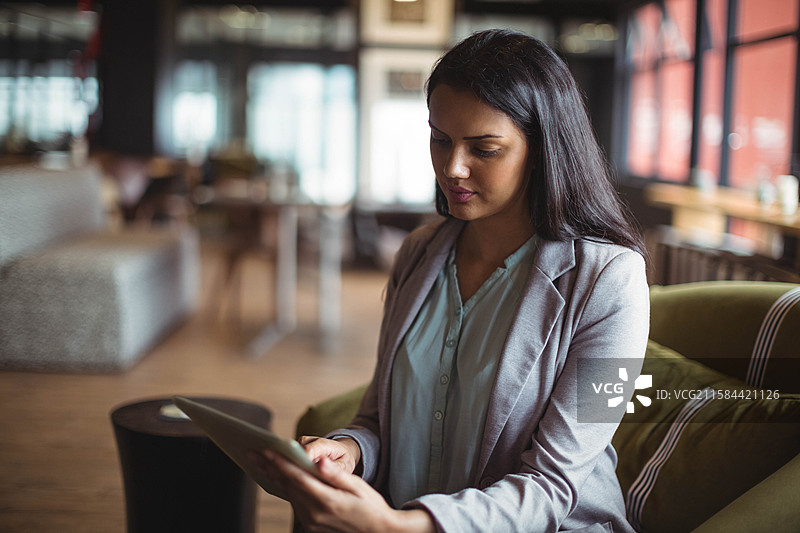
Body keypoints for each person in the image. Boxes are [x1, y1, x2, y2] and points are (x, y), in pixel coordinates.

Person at [253, 29, 650, 532]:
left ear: (544, 149)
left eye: (484, 149)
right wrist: (350, 450)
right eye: (440, 140)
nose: (452, 167)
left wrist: (403, 527)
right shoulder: (419, 254)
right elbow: (379, 419)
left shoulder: (613, 280)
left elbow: (554, 485)